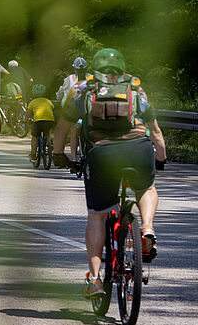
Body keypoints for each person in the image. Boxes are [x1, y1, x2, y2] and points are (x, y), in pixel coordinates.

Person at [51, 48, 167, 300]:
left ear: (95, 67)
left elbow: (62, 126)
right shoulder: (135, 89)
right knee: (146, 188)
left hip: (102, 155)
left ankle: (94, 279)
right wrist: (160, 157)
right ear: (122, 67)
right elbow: (155, 131)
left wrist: (59, 155)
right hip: (138, 149)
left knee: (97, 217)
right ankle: (146, 229)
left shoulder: (83, 89)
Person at [56, 57, 88, 159]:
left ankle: (74, 158)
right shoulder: (92, 78)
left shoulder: (68, 79)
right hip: (89, 111)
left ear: (74, 68)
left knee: (74, 135)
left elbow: (61, 94)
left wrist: (58, 99)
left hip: (73, 112)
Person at [26, 84, 55, 161]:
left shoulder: (32, 102)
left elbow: (28, 114)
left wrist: (26, 121)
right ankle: (50, 144)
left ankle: (33, 154)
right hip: (49, 120)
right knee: (48, 132)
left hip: (38, 121)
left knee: (35, 137)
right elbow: (52, 108)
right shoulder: (48, 101)